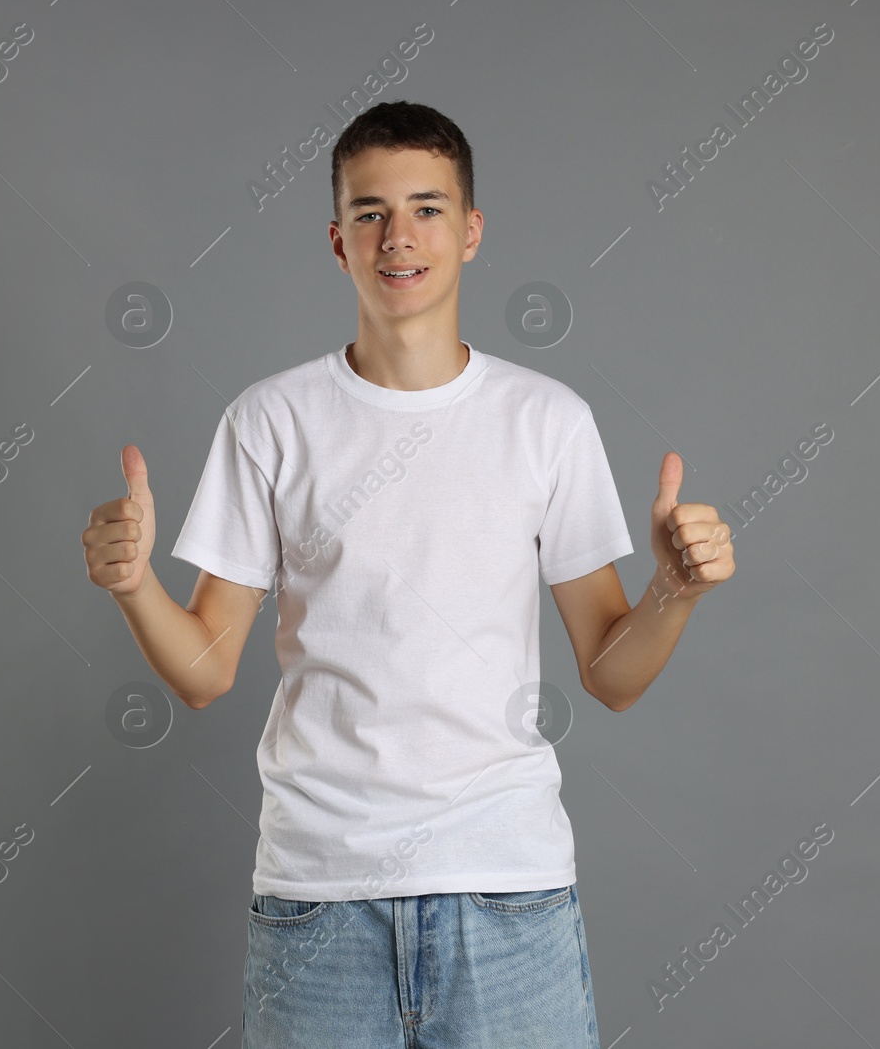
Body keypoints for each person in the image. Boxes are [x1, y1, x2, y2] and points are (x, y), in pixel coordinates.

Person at [83, 100, 734, 1048]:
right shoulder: (270, 421)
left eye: (428, 208)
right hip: (319, 904)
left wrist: (675, 596)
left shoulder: (546, 421)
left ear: (470, 232)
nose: (400, 236)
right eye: (370, 211)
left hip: (507, 897)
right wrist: (136, 585)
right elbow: (206, 671)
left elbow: (611, 672)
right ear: (337, 239)